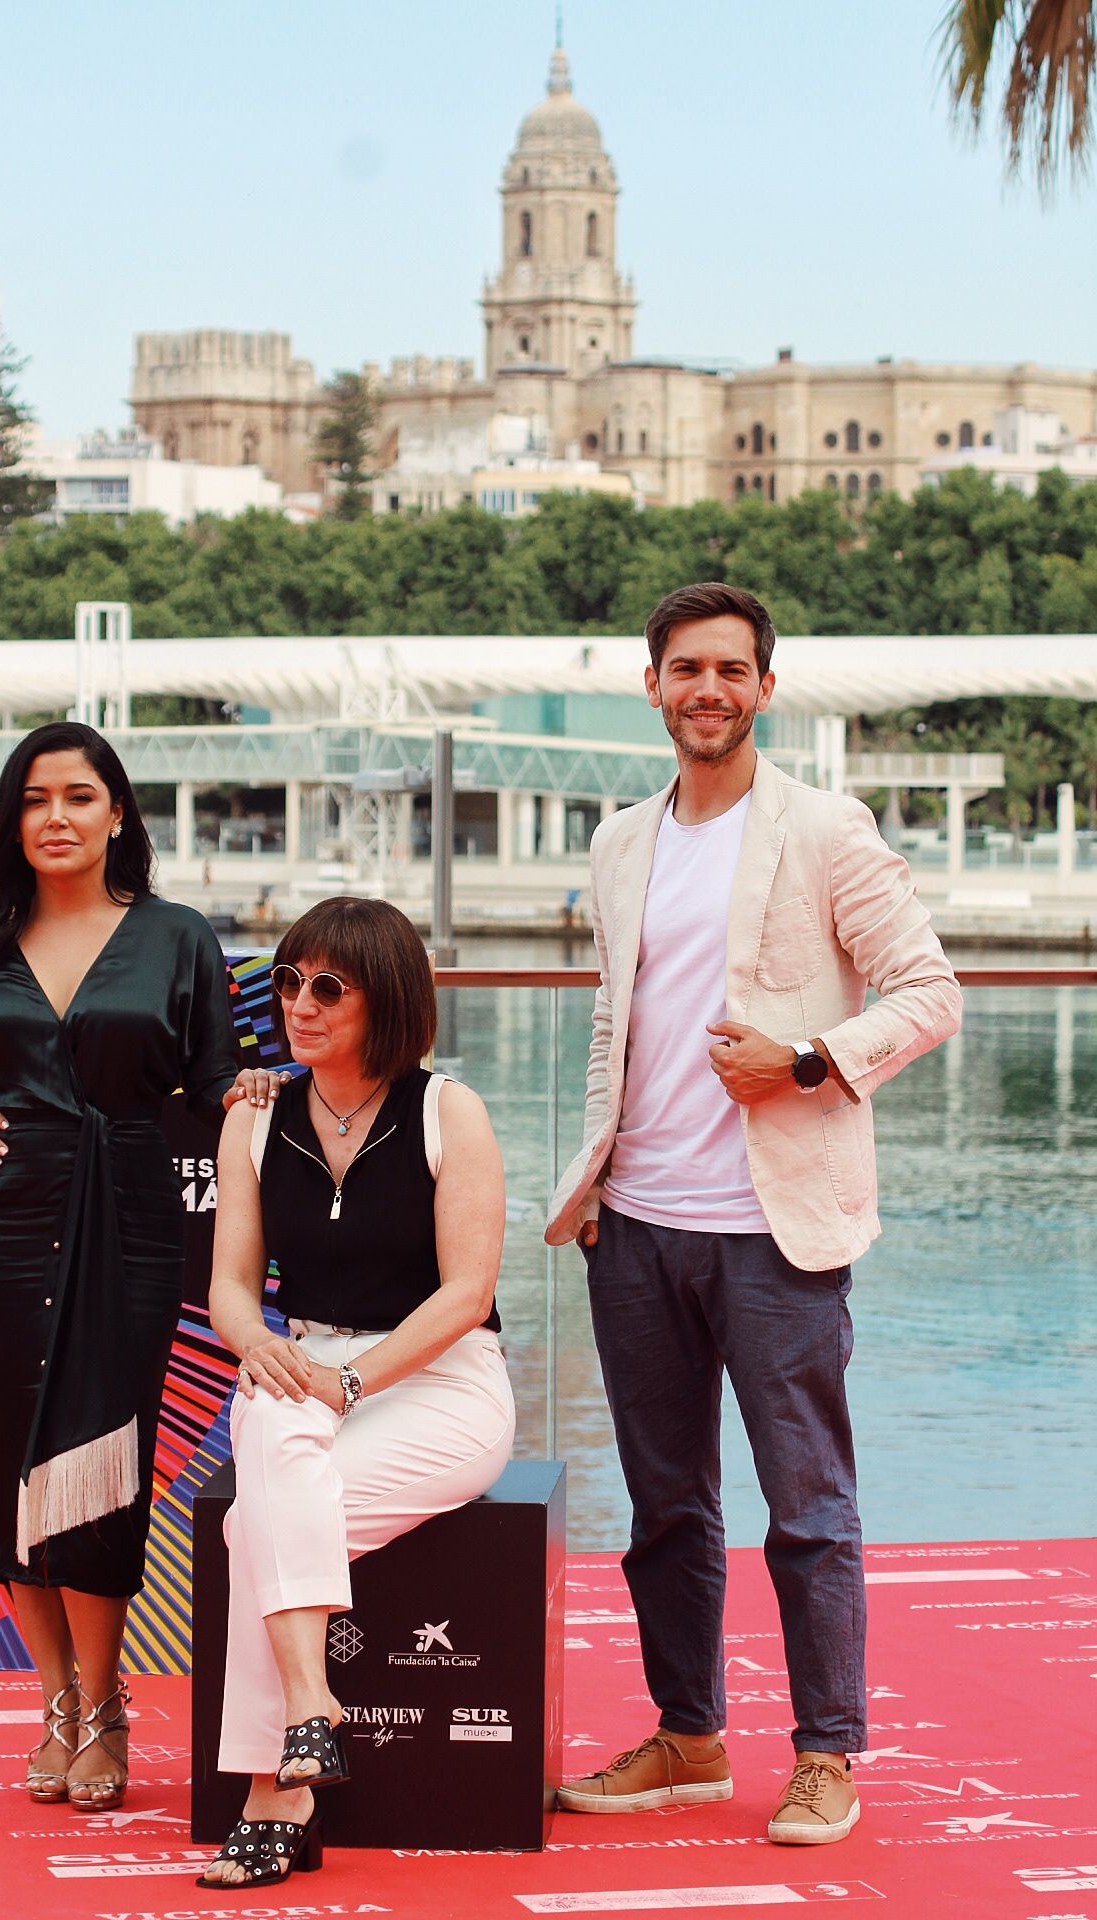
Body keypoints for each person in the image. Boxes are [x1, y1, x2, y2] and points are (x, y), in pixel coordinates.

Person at [547, 583, 962, 1846]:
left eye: (730, 669)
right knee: (664, 1507)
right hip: (636, 1225)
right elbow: (620, 1026)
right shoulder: (620, 841)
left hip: (775, 1231)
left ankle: (828, 1750)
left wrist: (802, 1061)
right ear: (653, 687)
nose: (707, 689)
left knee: (806, 1506)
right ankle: (687, 1736)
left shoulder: (825, 829)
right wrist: (595, 1182)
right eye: (684, 669)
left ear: (764, 689)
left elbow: (928, 991)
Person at [0, 720, 239, 1811]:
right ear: (12, 821)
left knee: (97, 1472)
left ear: (117, 812)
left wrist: (270, 1105)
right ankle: (60, 1704)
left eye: (79, 797)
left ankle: (109, 1699)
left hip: (127, 1224)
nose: (56, 818)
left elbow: (217, 1078)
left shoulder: (177, 937)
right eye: (34, 801)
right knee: (5, 1469)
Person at [197, 896, 514, 1892]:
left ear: (388, 1002)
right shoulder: (253, 1119)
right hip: (305, 1362)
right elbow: (231, 1291)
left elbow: (466, 1295)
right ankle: (306, 1718)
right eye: (289, 981)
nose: (299, 1002)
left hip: (439, 1381)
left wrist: (349, 1381)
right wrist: (258, 1343)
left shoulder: (445, 1110)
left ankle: (271, 1790)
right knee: (276, 1432)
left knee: (262, 1526)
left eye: (328, 986)